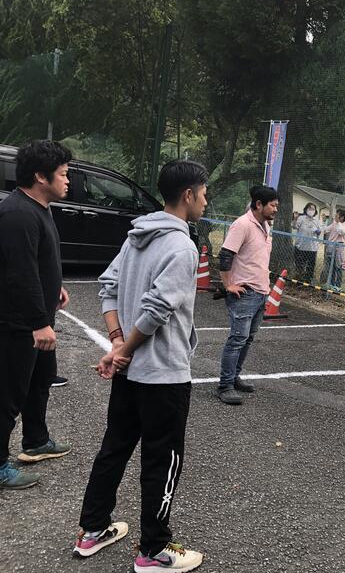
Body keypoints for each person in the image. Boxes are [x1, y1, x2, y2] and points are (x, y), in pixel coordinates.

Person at [73, 160, 207, 572]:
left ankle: (93, 529)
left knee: (114, 448)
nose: (206, 202)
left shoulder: (137, 236)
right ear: (188, 195)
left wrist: (117, 342)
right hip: (163, 374)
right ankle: (154, 550)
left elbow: (108, 287)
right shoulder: (182, 246)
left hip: (130, 374)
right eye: (204, 194)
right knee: (162, 460)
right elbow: (157, 311)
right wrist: (124, 349)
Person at [0, 140, 73, 490]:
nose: (67, 181)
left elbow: (38, 261)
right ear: (41, 176)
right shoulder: (17, 215)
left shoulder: (39, 207)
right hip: (18, 325)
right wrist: (39, 323)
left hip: (38, 317)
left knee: (41, 379)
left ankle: (36, 440)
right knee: (8, 395)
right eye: (63, 174)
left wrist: (55, 286)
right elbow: (19, 274)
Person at [217, 185, 279, 405]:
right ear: (259, 204)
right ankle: (225, 386)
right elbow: (225, 255)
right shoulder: (242, 224)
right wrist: (228, 285)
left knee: (247, 339)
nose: (275, 209)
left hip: (260, 292)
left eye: (277, 205)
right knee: (237, 339)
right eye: (272, 205)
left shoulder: (265, 226)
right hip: (244, 293)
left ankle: (234, 377)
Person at [292, 202, 322, 283]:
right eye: (309, 208)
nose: (311, 210)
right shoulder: (301, 218)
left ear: (315, 211)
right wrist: (295, 219)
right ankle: (298, 281)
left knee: (310, 267)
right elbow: (294, 226)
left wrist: (318, 231)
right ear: (306, 209)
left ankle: (308, 282)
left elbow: (320, 231)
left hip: (312, 248)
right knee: (299, 266)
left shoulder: (317, 221)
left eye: (313, 209)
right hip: (300, 246)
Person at [321, 209, 345, 290]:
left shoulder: (344, 225)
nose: (335, 216)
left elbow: (341, 232)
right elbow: (325, 230)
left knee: (338, 266)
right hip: (331, 246)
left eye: (337, 215)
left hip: (339, 247)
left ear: (342, 217)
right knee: (331, 266)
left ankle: (338, 285)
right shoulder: (334, 224)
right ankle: (331, 284)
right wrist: (324, 221)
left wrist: (338, 222)